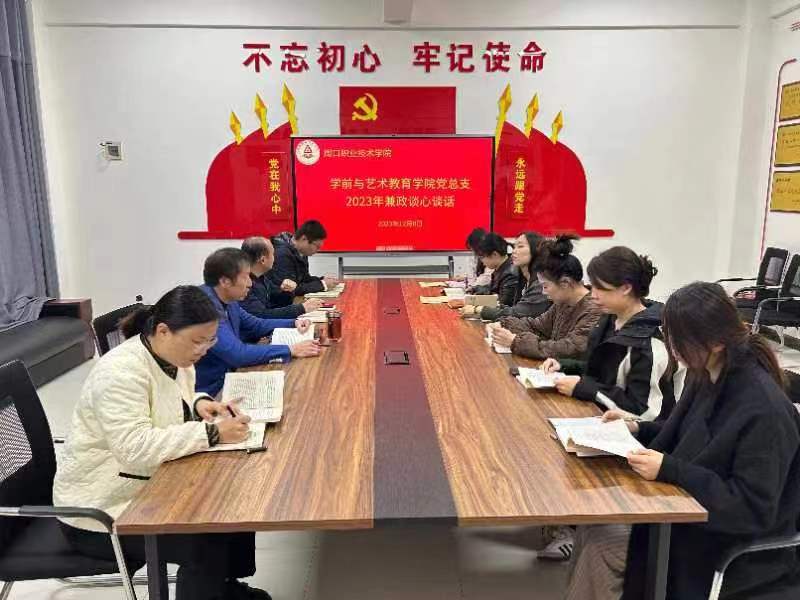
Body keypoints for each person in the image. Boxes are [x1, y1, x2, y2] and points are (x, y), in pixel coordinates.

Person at [565, 282, 800, 600]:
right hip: (687, 511)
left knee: (603, 544)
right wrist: (636, 428)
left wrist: (670, 469)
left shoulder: (764, 409)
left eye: (678, 339)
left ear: (716, 342)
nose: (671, 347)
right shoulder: (708, 373)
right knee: (594, 528)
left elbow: (750, 507)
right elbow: (683, 432)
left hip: (726, 542)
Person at [54, 285, 272, 600]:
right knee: (204, 538)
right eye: (197, 341)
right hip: (100, 510)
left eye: (210, 340)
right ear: (164, 331)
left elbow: (171, 399)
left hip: (146, 484)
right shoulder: (119, 373)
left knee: (231, 502)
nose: (204, 349)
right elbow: (134, 448)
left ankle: (225, 587)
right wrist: (212, 433)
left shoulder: (171, 355)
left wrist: (200, 404)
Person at [541, 246, 679, 421]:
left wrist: (585, 388)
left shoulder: (650, 343)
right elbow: (603, 372)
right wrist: (564, 365)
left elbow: (644, 412)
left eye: (600, 288)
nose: (593, 295)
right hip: (598, 415)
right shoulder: (610, 318)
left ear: (625, 288)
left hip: (627, 432)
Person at [195, 248, 320, 397]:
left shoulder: (227, 299)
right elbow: (237, 354)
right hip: (211, 394)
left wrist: (294, 323)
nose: (250, 283)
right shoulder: (205, 307)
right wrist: (290, 350)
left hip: (230, 379)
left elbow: (256, 325)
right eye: (246, 277)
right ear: (225, 281)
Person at [490, 235, 602, 359]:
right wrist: (504, 323)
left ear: (565, 283)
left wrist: (515, 341)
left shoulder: (593, 310)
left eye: (545, 286)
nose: (543, 292)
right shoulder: (562, 303)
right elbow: (536, 327)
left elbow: (568, 349)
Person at [240, 236, 322, 319]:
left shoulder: (262, 277)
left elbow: (277, 302)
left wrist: (287, 291)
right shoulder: (244, 285)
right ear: (263, 260)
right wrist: (301, 308)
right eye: (273, 254)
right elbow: (262, 316)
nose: (275, 258)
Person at [479, 231, 551, 321]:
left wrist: (479, 310)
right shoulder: (523, 279)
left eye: (520, 246)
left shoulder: (541, 283)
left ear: (536, 250)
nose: (514, 251)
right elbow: (515, 308)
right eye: (514, 247)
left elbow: (517, 313)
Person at [269, 220, 336, 300]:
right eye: (317, 246)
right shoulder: (282, 254)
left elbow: (304, 279)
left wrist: (322, 279)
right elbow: (289, 289)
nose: (317, 251)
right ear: (304, 239)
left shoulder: (301, 252)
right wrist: (322, 284)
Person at [462, 232, 517, 317]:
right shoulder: (500, 268)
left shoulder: (510, 274)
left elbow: (503, 303)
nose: (482, 262)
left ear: (495, 254)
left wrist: (476, 307)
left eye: (482, 257)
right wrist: (477, 288)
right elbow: (493, 288)